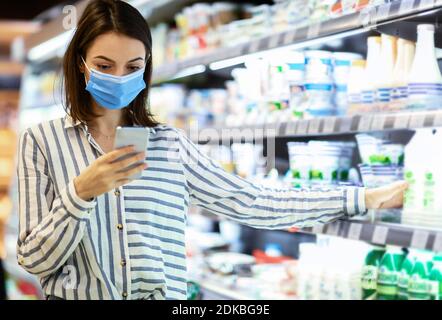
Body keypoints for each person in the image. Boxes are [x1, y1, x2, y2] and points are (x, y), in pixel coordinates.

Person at [16, 0, 408, 300]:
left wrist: (362, 197)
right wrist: (80, 193)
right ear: (81, 64)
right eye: (105, 65)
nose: (120, 78)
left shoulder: (168, 145)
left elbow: (253, 201)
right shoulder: (41, 141)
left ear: (146, 67)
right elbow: (35, 260)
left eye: (132, 67)